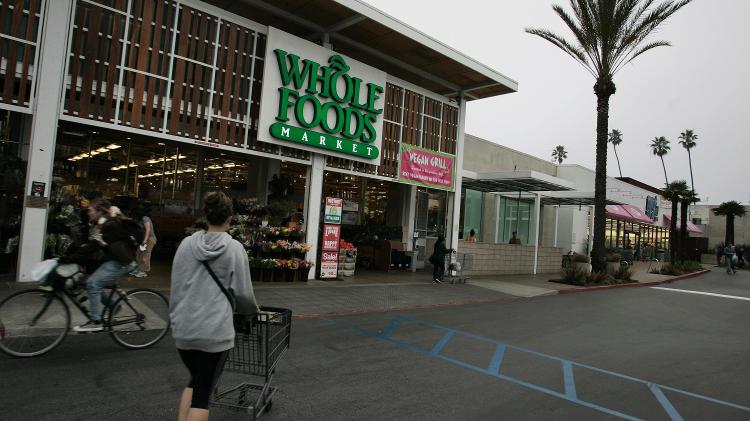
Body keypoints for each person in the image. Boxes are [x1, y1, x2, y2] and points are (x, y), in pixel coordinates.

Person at [170, 191, 260, 421]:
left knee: (196, 380)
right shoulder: (234, 249)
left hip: (184, 330)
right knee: (203, 395)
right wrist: (251, 315)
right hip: (213, 333)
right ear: (230, 217)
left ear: (205, 215)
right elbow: (244, 295)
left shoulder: (186, 244)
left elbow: (177, 284)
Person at [61, 199, 138, 332]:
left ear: (100, 212)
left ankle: (96, 321)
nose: (88, 213)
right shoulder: (101, 223)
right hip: (112, 259)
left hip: (122, 262)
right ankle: (114, 306)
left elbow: (93, 246)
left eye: (90, 210)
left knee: (93, 284)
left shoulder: (108, 225)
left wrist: (69, 258)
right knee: (88, 282)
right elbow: (91, 245)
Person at [131, 204, 156, 278]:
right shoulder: (139, 219)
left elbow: (148, 230)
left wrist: (144, 242)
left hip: (150, 239)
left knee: (145, 255)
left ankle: (143, 272)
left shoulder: (145, 218)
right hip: (144, 240)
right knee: (138, 253)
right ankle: (139, 269)